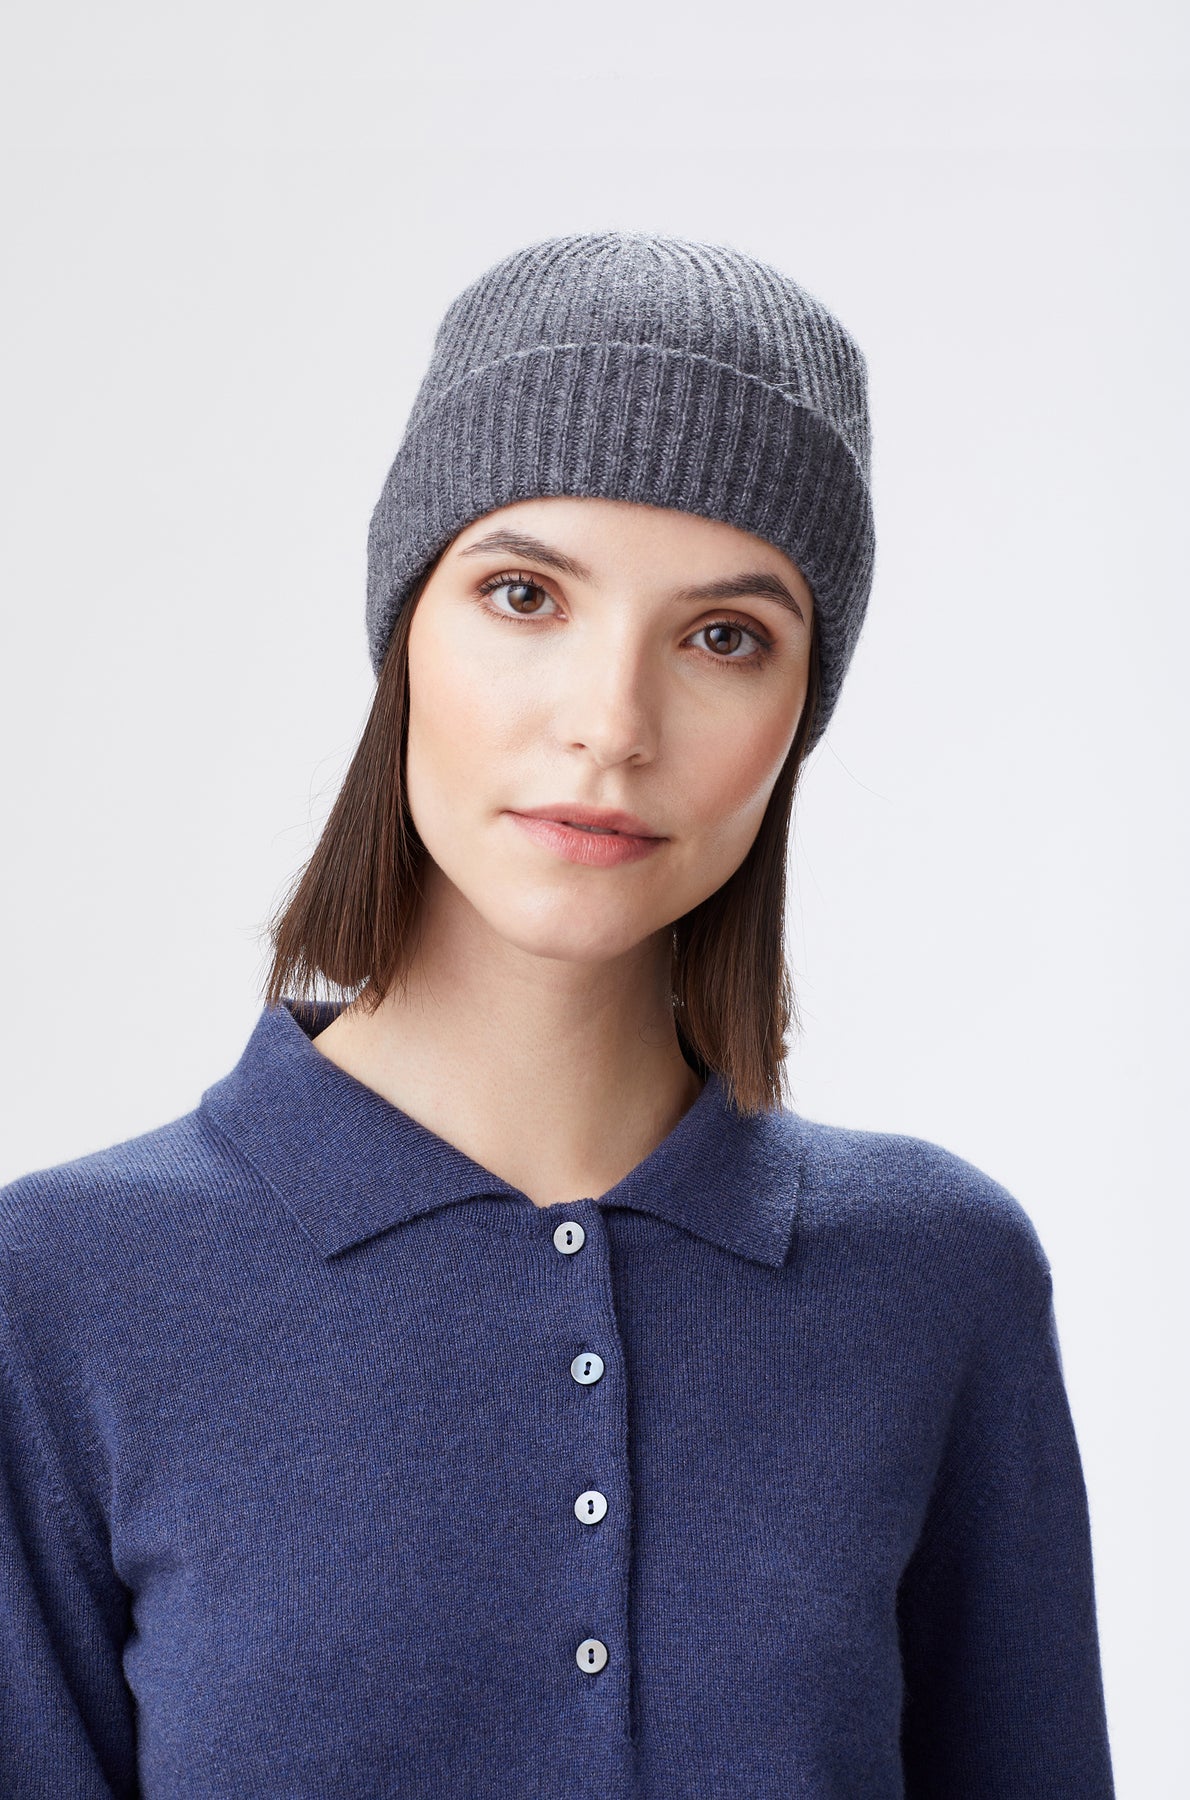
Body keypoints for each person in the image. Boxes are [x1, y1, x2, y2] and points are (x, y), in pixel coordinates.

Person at [0, 231, 1116, 1798]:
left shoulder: (940, 1277)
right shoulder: (62, 1289)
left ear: (799, 714)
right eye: (523, 595)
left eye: (725, 637)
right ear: (406, 632)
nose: (611, 723)